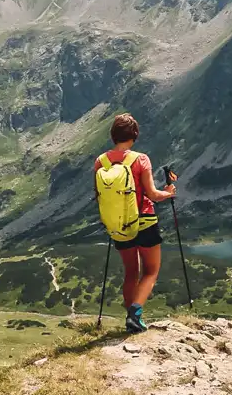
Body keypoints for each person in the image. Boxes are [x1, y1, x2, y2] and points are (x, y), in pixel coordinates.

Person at [94, 113, 175, 334]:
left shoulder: (101, 161)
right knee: (150, 271)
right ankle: (135, 314)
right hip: (145, 220)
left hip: (118, 225)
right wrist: (168, 193)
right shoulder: (141, 160)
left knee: (131, 272)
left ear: (113, 135)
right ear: (135, 135)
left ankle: (131, 319)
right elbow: (152, 194)